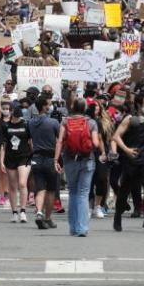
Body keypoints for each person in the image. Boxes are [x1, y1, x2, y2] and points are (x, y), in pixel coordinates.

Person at [112, 93, 144, 232]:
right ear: (138, 104)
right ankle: (118, 216)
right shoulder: (130, 119)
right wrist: (126, 150)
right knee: (124, 191)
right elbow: (116, 136)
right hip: (131, 161)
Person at [54, 98, 100, 237]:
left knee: (73, 192)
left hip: (69, 159)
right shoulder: (91, 122)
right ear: (85, 108)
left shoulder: (65, 121)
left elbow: (60, 141)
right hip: (87, 160)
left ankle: (73, 227)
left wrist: (56, 159)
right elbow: (96, 144)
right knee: (83, 193)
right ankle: (82, 228)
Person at [27, 96, 60, 230]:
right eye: (49, 104)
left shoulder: (30, 123)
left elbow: (30, 141)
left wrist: (34, 151)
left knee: (40, 188)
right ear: (45, 106)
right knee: (51, 189)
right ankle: (47, 217)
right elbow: (59, 141)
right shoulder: (53, 122)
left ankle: (39, 212)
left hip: (36, 158)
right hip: (50, 158)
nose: (50, 106)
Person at [1, 103, 32, 223]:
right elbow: (3, 144)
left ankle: (23, 211)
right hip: (10, 157)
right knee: (12, 186)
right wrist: (2, 161)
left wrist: (34, 156)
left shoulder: (26, 124)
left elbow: (30, 141)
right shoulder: (6, 126)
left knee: (22, 183)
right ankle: (14, 212)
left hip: (24, 157)